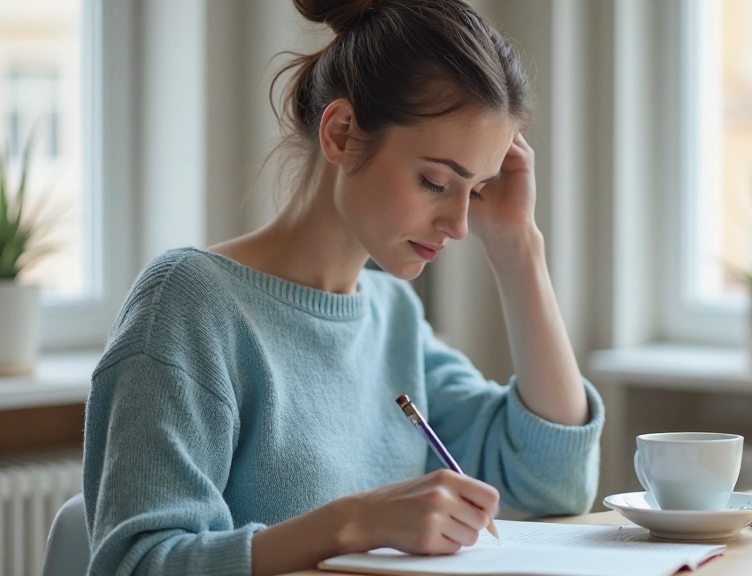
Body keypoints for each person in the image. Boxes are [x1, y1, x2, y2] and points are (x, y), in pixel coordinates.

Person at [82, 1, 605, 574]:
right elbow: (137, 563)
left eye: (475, 189)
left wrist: (518, 246)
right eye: (435, 181)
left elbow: (554, 479)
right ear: (341, 134)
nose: (458, 224)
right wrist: (352, 524)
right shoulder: (188, 305)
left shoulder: (393, 315)